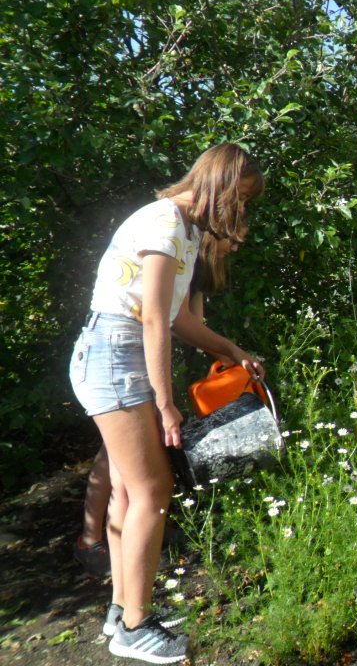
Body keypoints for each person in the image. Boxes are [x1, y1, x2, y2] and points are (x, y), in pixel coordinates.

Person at [69, 143, 264, 664]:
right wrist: (167, 403)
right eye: (239, 200)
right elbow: (153, 318)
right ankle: (135, 626)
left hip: (118, 354)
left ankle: (122, 612)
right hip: (115, 355)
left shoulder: (182, 228)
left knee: (134, 491)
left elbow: (180, 320)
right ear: (219, 188)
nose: (239, 214)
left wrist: (235, 354)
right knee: (153, 489)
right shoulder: (163, 222)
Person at [73, 231, 247, 578]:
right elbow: (169, 324)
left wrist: (232, 356)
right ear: (212, 236)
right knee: (116, 458)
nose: (235, 246)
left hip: (146, 361)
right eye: (231, 238)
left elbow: (190, 327)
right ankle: (90, 542)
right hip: (123, 359)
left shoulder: (196, 274)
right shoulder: (175, 251)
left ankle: (128, 554)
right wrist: (231, 353)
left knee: (129, 470)